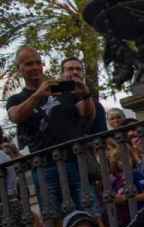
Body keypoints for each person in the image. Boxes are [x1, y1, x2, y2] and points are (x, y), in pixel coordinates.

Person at [6, 47, 98, 217]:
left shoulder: (62, 88)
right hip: (44, 165)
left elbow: (86, 113)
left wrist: (86, 95)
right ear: (19, 69)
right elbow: (16, 116)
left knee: (91, 213)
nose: (35, 67)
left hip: (75, 160)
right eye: (28, 64)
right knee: (53, 218)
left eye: (37, 63)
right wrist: (38, 95)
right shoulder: (16, 99)